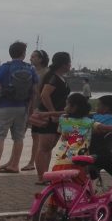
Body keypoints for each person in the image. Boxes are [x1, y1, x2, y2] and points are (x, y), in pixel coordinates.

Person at [0, 41, 39, 175]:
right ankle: (15, 165)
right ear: (23, 54)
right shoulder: (30, 69)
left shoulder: (5, 67)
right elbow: (35, 91)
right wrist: (31, 108)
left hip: (4, 106)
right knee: (18, 138)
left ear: (11, 53)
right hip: (22, 107)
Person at [32, 52, 72, 183]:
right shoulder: (53, 77)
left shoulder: (60, 77)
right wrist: (52, 113)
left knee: (49, 147)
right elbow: (44, 95)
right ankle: (41, 177)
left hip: (57, 115)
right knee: (43, 147)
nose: (70, 65)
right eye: (69, 63)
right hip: (48, 116)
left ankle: (45, 175)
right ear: (63, 64)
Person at [21, 49, 50, 172]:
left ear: (41, 59)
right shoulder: (31, 71)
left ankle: (33, 162)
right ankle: (32, 161)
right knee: (33, 135)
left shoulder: (46, 73)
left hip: (40, 108)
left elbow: (43, 93)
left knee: (37, 136)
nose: (30, 59)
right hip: (30, 106)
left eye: (33, 57)